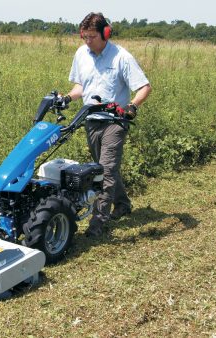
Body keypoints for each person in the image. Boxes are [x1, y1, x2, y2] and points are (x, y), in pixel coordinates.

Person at [61, 12, 152, 237]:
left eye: (92, 37)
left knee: (105, 170)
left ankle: (98, 223)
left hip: (115, 121)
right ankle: (122, 204)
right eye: (84, 37)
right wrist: (66, 98)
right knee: (103, 167)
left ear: (106, 33)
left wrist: (132, 106)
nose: (87, 41)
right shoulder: (81, 54)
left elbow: (144, 87)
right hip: (91, 120)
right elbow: (80, 87)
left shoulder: (121, 57)